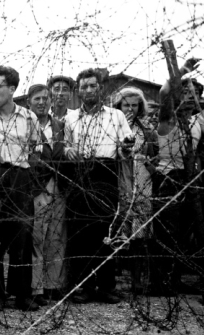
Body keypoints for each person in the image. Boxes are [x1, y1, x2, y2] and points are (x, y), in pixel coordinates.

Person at [65, 68, 132, 304]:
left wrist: (126, 146)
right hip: (81, 173)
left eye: (93, 85)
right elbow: (64, 146)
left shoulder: (116, 116)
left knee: (106, 230)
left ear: (100, 88)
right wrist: (68, 150)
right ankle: (82, 286)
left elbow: (127, 142)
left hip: (106, 172)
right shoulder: (71, 118)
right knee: (81, 232)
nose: (89, 90)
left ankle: (106, 286)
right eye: (84, 87)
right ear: (78, 91)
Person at [0, 66, 38, 312]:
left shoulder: (28, 118)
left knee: (23, 237)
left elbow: (37, 150)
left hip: (20, 179)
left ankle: (22, 294)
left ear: (11, 89)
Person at [150, 58, 203, 297]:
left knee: (184, 232)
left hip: (191, 179)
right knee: (166, 232)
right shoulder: (168, 120)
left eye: (195, 93)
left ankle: (176, 279)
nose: (191, 97)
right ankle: (160, 282)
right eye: (187, 92)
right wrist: (183, 71)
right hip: (168, 177)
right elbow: (164, 91)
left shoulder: (197, 122)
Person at [111, 87, 157, 295]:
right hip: (120, 179)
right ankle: (114, 278)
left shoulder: (147, 128)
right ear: (118, 106)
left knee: (141, 232)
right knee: (118, 228)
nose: (130, 109)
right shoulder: (112, 125)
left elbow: (156, 153)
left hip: (142, 180)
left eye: (134, 105)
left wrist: (151, 163)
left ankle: (137, 280)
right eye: (126, 105)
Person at [26, 84, 68, 304]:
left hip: (59, 186)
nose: (41, 102)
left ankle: (54, 285)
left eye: (45, 98)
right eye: (37, 99)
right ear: (29, 102)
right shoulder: (25, 125)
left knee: (56, 237)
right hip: (37, 187)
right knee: (37, 237)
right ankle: (36, 288)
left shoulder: (61, 126)